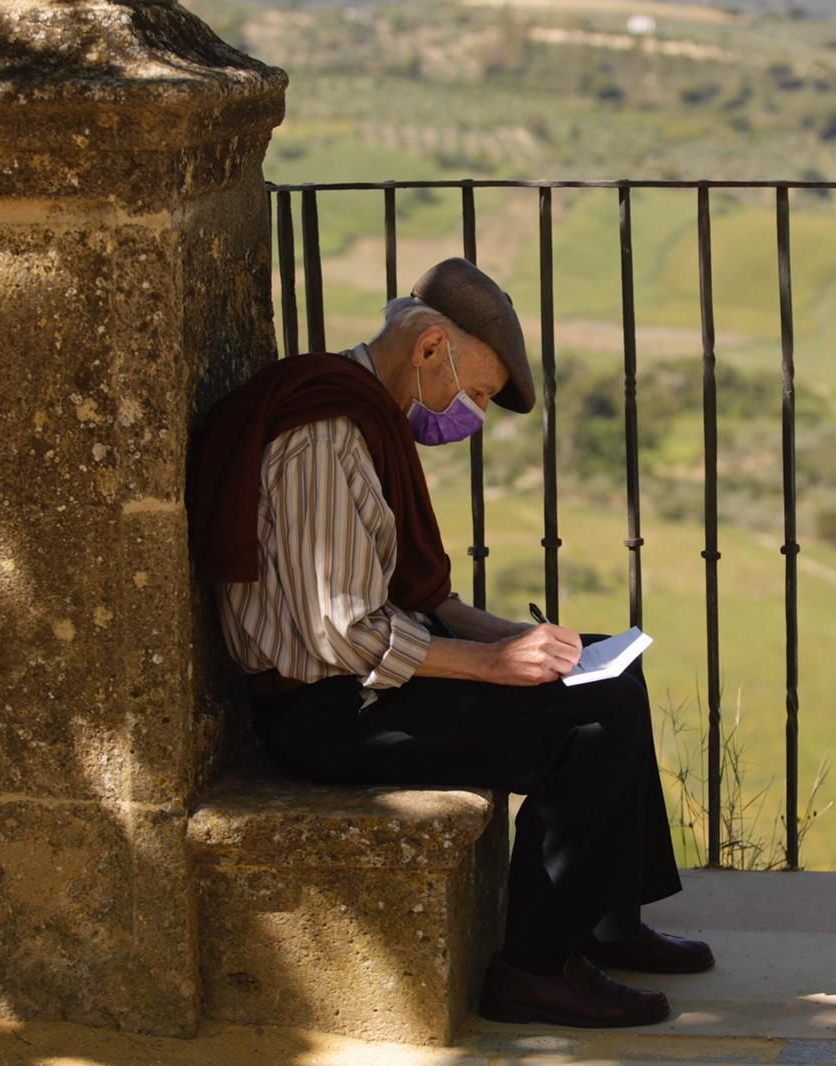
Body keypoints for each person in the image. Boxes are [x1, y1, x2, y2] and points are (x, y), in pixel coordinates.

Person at [187, 258, 713, 1029]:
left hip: (365, 683)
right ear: (431, 347)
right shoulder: (326, 437)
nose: (470, 414)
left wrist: (515, 637)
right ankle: (534, 970)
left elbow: (423, 600)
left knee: (606, 672)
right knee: (591, 719)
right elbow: (344, 634)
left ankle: (606, 920)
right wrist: (495, 664)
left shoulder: (364, 414)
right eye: (478, 393)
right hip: (329, 713)